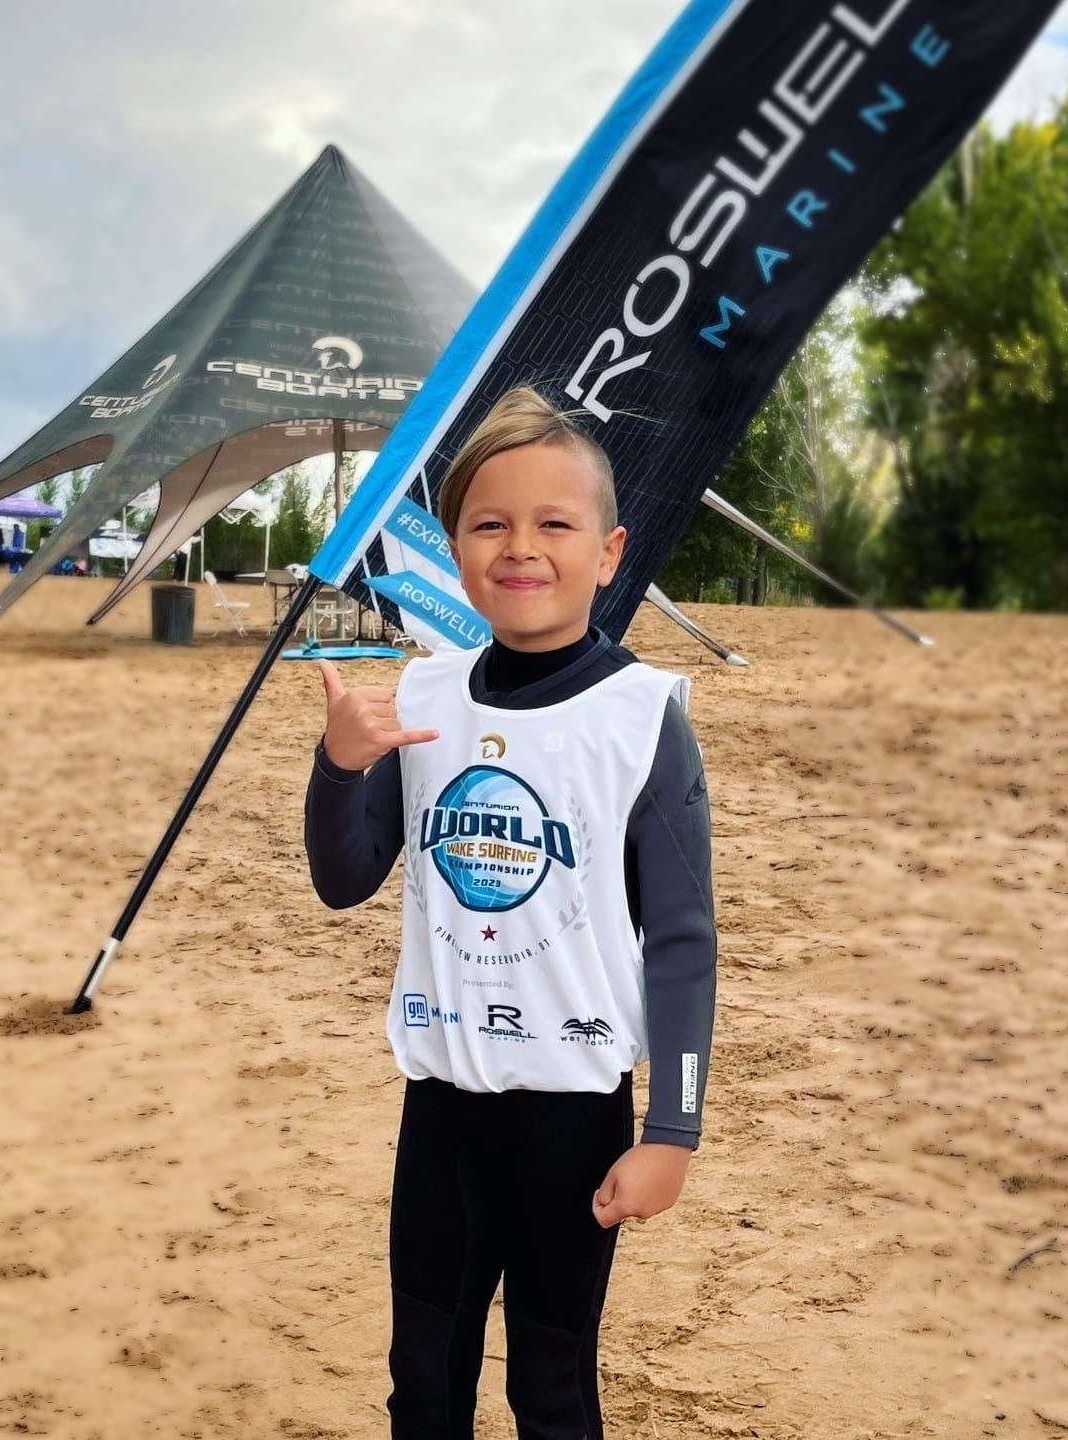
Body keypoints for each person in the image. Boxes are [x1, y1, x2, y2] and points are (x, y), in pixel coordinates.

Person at [304, 386, 716, 1438]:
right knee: (424, 1382)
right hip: (439, 1109)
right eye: (490, 523)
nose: (520, 546)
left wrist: (671, 1127)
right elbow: (345, 876)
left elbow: (681, 943)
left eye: (554, 524)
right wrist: (339, 766)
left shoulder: (638, 718)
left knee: (551, 1388)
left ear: (610, 552)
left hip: (570, 1117)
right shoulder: (425, 697)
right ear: (454, 547)